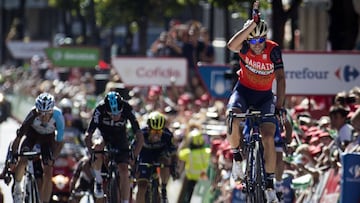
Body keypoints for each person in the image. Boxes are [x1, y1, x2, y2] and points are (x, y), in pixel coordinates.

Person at [226, 1, 286, 202]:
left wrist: (279, 107)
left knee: (268, 137)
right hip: (243, 92)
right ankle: (236, 157)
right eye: (253, 42)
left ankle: (269, 185)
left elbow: (281, 78)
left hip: (265, 96)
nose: (258, 45)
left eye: (261, 40)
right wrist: (251, 25)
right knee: (233, 117)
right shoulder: (244, 47)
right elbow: (231, 45)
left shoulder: (273, 50)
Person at [84, 91, 144, 203]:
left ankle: (125, 201)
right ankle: (98, 181)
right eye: (112, 114)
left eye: (118, 114)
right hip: (103, 136)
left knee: (124, 171)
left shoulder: (127, 108)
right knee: (97, 147)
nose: (115, 116)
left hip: (120, 138)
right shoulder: (99, 109)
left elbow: (140, 137)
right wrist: (92, 152)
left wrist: (134, 155)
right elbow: (88, 136)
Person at [10, 92, 65, 203]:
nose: (43, 117)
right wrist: (14, 155)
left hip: (47, 139)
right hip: (32, 136)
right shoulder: (32, 114)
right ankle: (17, 187)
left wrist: (53, 157)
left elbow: (60, 142)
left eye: (47, 113)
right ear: (37, 111)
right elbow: (19, 137)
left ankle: (44, 201)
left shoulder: (58, 116)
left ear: (52, 111)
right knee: (23, 159)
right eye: (41, 113)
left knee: (48, 170)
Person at [135, 111, 178, 203]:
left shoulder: (167, 135)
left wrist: (174, 167)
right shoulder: (141, 134)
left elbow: (174, 152)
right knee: (142, 186)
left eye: (159, 131)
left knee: (165, 160)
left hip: (159, 155)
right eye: (154, 131)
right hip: (144, 156)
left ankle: (163, 188)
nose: (157, 134)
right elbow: (133, 150)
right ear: (148, 129)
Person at [178, 129, 211, 203]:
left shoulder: (188, 153)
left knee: (187, 197)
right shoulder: (207, 151)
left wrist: (184, 142)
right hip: (203, 179)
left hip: (190, 179)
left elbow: (179, 153)